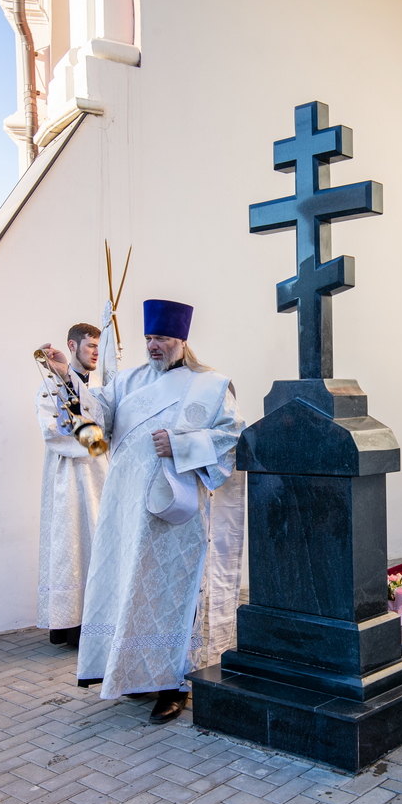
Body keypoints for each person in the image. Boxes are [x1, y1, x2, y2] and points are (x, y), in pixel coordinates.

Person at [47, 299, 245, 725]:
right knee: (130, 590)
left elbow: (232, 440)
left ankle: (174, 684)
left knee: (170, 596)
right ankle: (134, 673)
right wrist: (66, 374)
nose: (153, 346)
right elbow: (96, 423)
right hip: (126, 508)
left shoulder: (210, 385)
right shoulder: (130, 380)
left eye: (162, 338)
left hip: (176, 513)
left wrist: (180, 444)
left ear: (181, 340)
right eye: (149, 338)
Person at [35, 323, 107, 647]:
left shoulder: (101, 388)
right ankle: (69, 624)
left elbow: (105, 423)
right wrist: (92, 441)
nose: (95, 352)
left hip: (99, 476)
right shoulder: (48, 388)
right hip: (68, 476)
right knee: (70, 545)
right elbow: (53, 431)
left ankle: (97, 620)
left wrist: (98, 440)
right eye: (90, 345)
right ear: (72, 346)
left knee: (99, 541)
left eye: (97, 346)